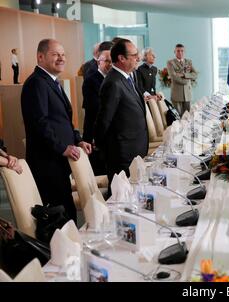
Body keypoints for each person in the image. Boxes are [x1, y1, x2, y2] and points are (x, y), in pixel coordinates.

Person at [21, 39, 92, 223]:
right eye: (55, 54)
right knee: (59, 216)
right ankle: (66, 249)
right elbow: (40, 123)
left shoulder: (51, 81)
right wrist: (62, 148)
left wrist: (77, 140)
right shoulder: (36, 83)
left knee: (65, 211)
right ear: (40, 57)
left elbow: (64, 121)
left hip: (57, 161)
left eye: (63, 54)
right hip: (47, 162)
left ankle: (72, 247)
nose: (61, 58)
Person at [94, 39, 148, 194]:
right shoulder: (113, 82)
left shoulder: (127, 78)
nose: (138, 58)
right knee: (122, 199)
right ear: (121, 58)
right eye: (134, 55)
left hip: (133, 150)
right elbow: (104, 121)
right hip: (122, 154)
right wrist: (109, 151)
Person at [82, 41, 113, 175]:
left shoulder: (112, 78)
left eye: (112, 61)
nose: (110, 64)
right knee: (100, 170)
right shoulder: (91, 80)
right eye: (106, 61)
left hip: (109, 133)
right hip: (95, 132)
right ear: (98, 62)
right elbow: (95, 109)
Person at [167, 44, 198, 116]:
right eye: (178, 51)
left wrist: (184, 75)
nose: (180, 52)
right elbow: (173, 76)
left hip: (188, 93)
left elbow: (195, 74)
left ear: (184, 52)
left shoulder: (189, 62)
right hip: (176, 94)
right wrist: (187, 80)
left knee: (188, 117)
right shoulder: (170, 63)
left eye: (182, 51)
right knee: (178, 117)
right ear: (174, 52)